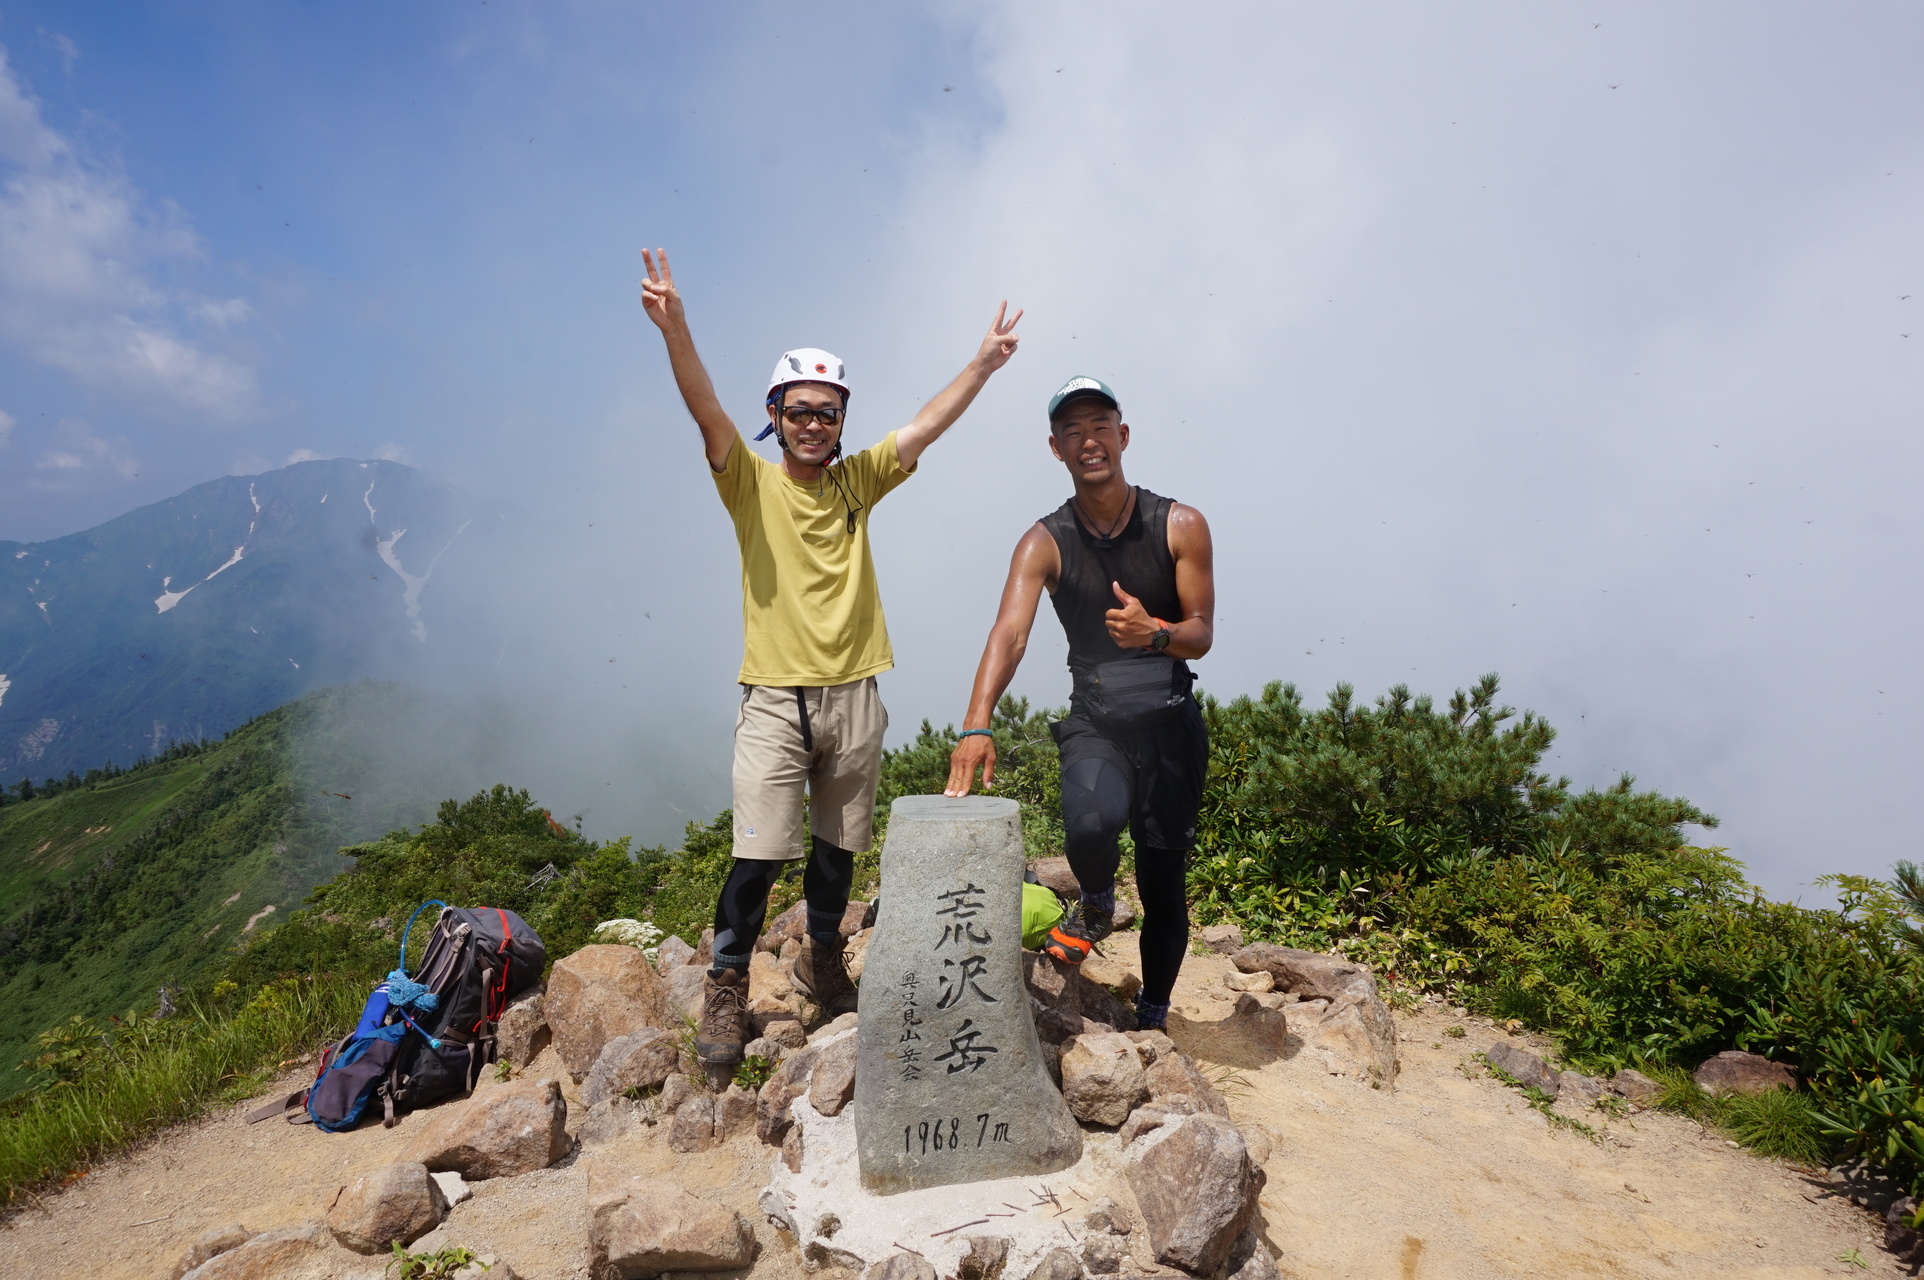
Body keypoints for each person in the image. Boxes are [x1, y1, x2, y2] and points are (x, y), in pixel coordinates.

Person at [640, 248, 1022, 1065]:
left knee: (836, 851)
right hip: (775, 698)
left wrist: (981, 366)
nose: (815, 424)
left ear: (841, 421)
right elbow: (706, 412)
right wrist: (677, 330)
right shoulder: (748, 481)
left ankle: (821, 958)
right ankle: (728, 984)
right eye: (800, 410)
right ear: (774, 413)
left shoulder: (857, 484)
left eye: (829, 412)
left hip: (855, 696)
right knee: (756, 855)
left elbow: (924, 424)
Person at [942, 376, 1214, 1031]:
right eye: (1072, 431)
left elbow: (1201, 633)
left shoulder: (1180, 524)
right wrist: (978, 722)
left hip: (1172, 729)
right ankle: (1094, 901)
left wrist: (1159, 633)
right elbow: (1009, 632)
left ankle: (1152, 1014)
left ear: (1123, 436)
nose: (1088, 440)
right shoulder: (1045, 541)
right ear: (1055, 449)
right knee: (1090, 827)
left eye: (1100, 425)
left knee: (1163, 883)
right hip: (1099, 725)